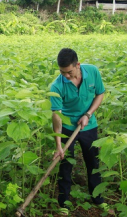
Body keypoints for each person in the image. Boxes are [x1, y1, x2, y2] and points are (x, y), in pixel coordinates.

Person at [49, 48, 109, 215]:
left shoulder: (92, 71)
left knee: (93, 162)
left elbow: (100, 94)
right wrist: (58, 144)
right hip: (68, 127)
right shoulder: (56, 86)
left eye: (69, 72)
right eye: (62, 72)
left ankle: (98, 199)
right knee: (66, 164)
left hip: (89, 125)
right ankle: (64, 203)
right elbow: (57, 118)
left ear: (78, 65)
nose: (66, 76)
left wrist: (88, 114)